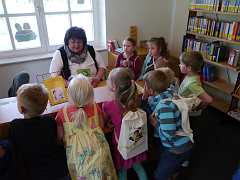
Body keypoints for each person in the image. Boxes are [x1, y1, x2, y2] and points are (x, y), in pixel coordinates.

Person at [55, 74, 117, 179]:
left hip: (77, 157)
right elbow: (101, 126)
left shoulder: (63, 113)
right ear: (90, 94)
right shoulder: (95, 107)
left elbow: (60, 137)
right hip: (99, 152)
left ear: (69, 94)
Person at [8, 84, 69, 180]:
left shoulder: (15, 126)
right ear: (45, 106)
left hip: (31, 174)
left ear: (22, 109)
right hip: (58, 171)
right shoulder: (49, 121)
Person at [143, 70, 193, 180]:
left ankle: (175, 169)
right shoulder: (170, 92)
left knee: (159, 176)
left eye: (145, 86)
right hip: (183, 142)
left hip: (176, 149)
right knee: (171, 165)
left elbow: (169, 134)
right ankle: (176, 170)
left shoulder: (164, 106)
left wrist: (155, 124)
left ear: (151, 90)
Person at [102, 68, 148, 180]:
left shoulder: (108, 105)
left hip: (121, 145)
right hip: (135, 141)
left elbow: (104, 122)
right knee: (139, 167)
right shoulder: (136, 99)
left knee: (122, 169)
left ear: (114, 87)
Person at [178, 51, 212, 143]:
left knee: (189, 131)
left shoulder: (192, 83)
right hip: (187, 107)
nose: (179, 65)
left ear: (188, 68)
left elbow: (209, 99)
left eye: (181, 64)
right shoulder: (191, 75)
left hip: (190, 113)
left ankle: (188, 143)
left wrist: (199, 107)